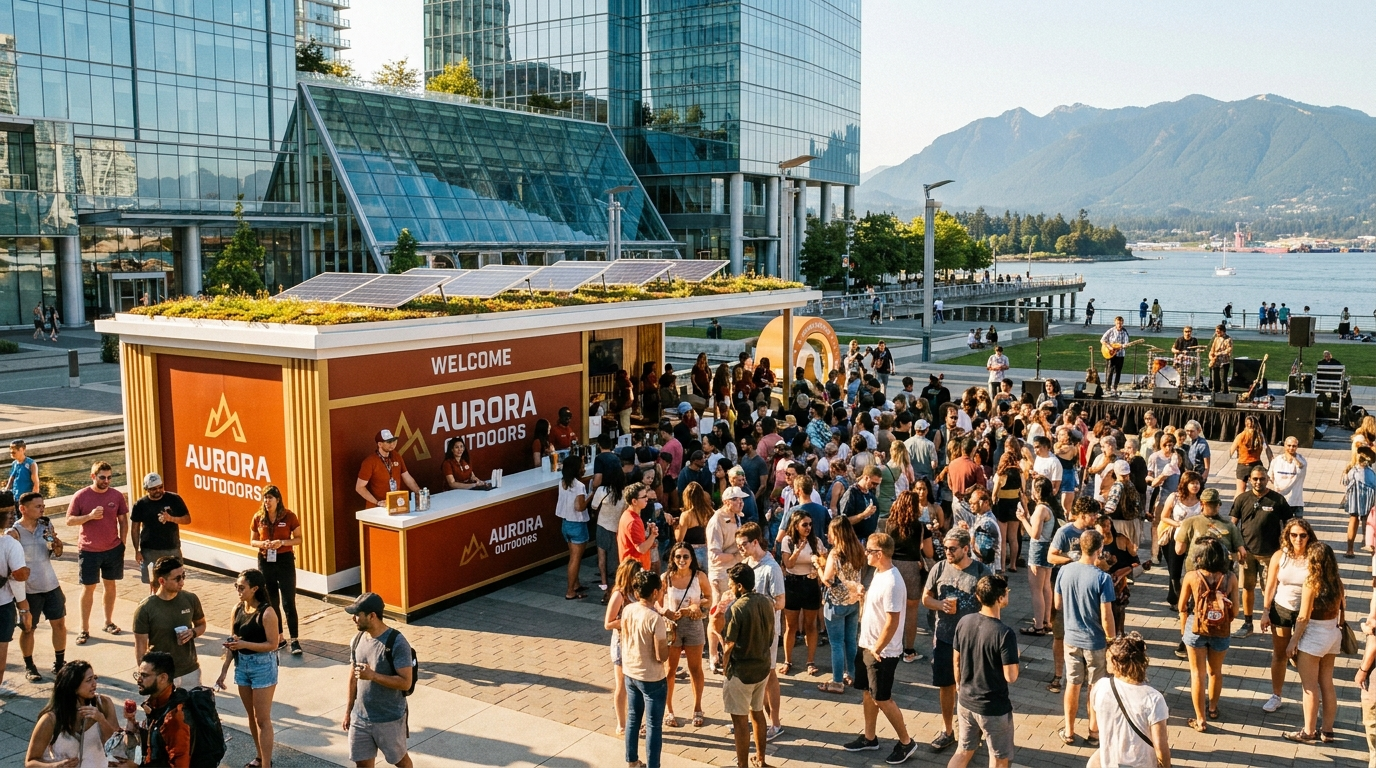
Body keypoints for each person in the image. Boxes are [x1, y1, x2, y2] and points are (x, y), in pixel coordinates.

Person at [841, 533, 919, 764]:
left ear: (879, 554)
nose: (865, 554)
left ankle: (906, 742)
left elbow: (893, 620)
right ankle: (869, 737)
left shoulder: (893, 582)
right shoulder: (878, 574)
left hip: (882, 651)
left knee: (882, 698)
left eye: (869, 550)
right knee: (867, 692)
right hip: (867, 644)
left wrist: (878, 648)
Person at [922, 527, 991, 753]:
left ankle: (973, 730)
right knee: (946, 685)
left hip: (973, 641)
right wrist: (940, 605)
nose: (947, 552)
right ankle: (947, 730)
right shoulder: (939, 568)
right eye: (945, 548)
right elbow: (926, 598)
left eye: (952, 549)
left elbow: (997, 603)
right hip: (944, 637)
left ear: (965, 548)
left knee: (972, 687)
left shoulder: (981, 571)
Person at [947, 574, 1019, 768]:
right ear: (1001, 598)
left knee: (963, 750)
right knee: (999, 758)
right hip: (993, 707)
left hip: (966, 700)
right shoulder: (1004, 633)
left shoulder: (964, 622)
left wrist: (959, 687)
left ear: (978, 597)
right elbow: (1011, 676)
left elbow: (956, 660)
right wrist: (1015, 656)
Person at [1055, 528, 1116, 746]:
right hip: (1096, 642)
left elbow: (1057, 604)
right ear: (1100, 550)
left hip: (1071, 638)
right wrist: (1112, 640)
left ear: (1080, 547)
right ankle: (1094, 733)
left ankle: (1069, 731)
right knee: (1095, 688)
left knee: (1072, 684)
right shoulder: (1103, 578)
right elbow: (1107, 616)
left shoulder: (1065, 571)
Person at [215, 569, 280, 768]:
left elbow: (273, 644)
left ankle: (266, 764)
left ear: (255, 589)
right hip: (241, 665)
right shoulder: (237, 609)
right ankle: (259, 757)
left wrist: (245, 645)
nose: (238, 590)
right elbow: (232, 639)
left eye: (242, 587)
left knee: (262, 719)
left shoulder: (267, 613)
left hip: (262, 666)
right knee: (251, 716)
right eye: (237, 586)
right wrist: (224, 669)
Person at [1283, 542, 1346, 745]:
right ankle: (1327, 731)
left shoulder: (1311, 583)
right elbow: (1342, 609)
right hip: (1332, 634)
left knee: (1309, 687)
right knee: (1327, 683)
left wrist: (1292, 642)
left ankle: (1308, 731)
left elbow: (1303, 617)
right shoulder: (1337, 581)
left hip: (1314, 636)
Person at [342, 593, 415, 768]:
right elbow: (353, 676)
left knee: (401, 762)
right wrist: (348, 711)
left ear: (372, 616)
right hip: (360, 718)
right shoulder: (358, 639)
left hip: (389, 719)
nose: (354, 619)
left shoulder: (397, 643)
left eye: (357, 614)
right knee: (362, 765)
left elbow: (406, 682)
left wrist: (373, 676)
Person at [717, 563, 773, 768]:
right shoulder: (766, 602)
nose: (730, 588)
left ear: (739, 586)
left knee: (740, 722)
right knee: (757, 713)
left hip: (740, 672)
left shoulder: (736, 608)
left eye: (731, 584)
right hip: (762, 667)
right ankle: (761, 759)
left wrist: (724, 667)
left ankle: (742, 765)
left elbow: (729, 644)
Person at [65, 461, 128, 645]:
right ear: (93, 476)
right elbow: (69, 521)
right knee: (88, 588)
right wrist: (89, 516)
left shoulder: (116, 496)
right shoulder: (81, 496)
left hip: (112, 549)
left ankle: (108, 622)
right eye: (102, 477)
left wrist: (122, 544)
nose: (106, 481)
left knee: (110, 586)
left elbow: (123, 521)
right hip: (89, 550)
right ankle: (83, 628)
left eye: (109, 477)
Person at [1088, 633, 1172, 768]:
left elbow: (1094, 727)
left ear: (1116, 663)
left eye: (1108, 658)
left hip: (1109, 762)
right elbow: (1161, 747)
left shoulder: (1100, 687)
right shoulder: (1154, 699)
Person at [736, 522, 786, 741]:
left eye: (743, 545)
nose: (740, 549)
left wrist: (755, 602)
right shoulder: (746, 563)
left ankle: (775, 723)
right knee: (751, 675)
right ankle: (754, 719)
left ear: (755, 542)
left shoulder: (771, 568)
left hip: (766, 630)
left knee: (770, 673)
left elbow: (781, 602)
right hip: (748, 630)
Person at [1260, 518, 1315, 714]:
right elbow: (1271, 585)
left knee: (1306, 657)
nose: (1298, 539)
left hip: (1308, 612)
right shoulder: (1279, 556)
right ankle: (1276, 695)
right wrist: (1265, 611)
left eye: (1302, 535)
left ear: (1309, 536)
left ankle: (1310, 698)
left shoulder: (1314, 557)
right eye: (1294, 535)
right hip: (1282, 608)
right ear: (1287, 536)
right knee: (1280, 654)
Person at [1230, 466, 1292, 638]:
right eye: (1255, 479)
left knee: (1270, 590)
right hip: (1246, 553)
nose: (1258, 482)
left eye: (1262, 479)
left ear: (1267, 479)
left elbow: (1290, 524)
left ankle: (1272, 621)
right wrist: (1236, 546)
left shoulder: (1278, 500)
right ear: (1249, 479)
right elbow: (1232, 524)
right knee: (1247, 588)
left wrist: (1285, 549)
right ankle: (1248, 623)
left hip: (1270, 555)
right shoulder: (1242, 498)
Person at [24, 660, 120, 768]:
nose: (94, 683)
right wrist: (56, 766)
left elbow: (117, 747)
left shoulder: (104, 704)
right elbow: (30, 762)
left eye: (94, 678)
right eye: (89, 680)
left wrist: (102, 721)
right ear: (73, 687)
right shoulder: (50, 719)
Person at [11, 493, 65, 682]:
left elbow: (56, 552)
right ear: (23, 509)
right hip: (29, 589)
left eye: (43, 505)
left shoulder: (46, 525)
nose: (42, 509)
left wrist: (58, 546)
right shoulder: (14, 533)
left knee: (59, 624)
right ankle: (30, 666)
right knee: (28, 629)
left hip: (50, 583)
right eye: (37, 506)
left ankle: (60, 663)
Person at [133, 557, 206, 688]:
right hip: (162, 675)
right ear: (162, 581)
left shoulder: (191, 599)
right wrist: (145, 676)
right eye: (177, 578)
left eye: (183, 576)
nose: (182, 582)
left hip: (190, 671)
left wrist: (193, 632)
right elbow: (140, 650)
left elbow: (202, 625)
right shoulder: (145, 609)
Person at [620, 570, 668, 768]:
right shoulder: (655, 619)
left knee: (632, 718)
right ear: (655, 592)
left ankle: (632, 761)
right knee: (654, 725)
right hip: (652, 677)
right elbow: (661, 655)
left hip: (630, 671)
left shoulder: (628, 609)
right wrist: (670, 642)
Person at [661, 542, 708, 728]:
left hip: (694, 624)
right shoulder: (666, 578)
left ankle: (697, 708)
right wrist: (666, 612)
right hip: (672, 626)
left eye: (686, 556)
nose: (682, 560)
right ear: (672, 558)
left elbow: (711, 598)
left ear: (692, 558)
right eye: (678, 556)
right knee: (669, 670)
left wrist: (696, 606)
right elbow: (655, 602)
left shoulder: (699, 576)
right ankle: (668, 710)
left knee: (695, 669)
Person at [251, 486, 303, 655]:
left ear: (278, 499)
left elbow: (299, 539)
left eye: (270, 498)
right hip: (266, 561)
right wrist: (263, 544)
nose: (267, 502)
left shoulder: (289, 516)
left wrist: (282, 542)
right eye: (265, 498)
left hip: (284, 560)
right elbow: (252, 541)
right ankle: (279, 637)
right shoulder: (259, 517)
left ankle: (295, 640)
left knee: (288, 601)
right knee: (272, 602)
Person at [887, 489, 934, 662]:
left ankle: (892, 645)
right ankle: (909, 650)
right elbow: (929, 553)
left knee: (892, 608)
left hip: (892, 568)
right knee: (911, 610)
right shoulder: (920, 526)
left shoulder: (890, 524)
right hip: (912, 569)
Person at [818, 516, 864, 695]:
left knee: (836, 644)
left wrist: (818, 566)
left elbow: (828, 580)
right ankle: (851, 674)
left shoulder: (835, 554)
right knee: (850, 640)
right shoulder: (858, 549)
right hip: (853, 602)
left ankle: (837, 681)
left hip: (836, 603)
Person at [779, 511, 825, 677]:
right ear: (796, 525)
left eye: (810, 524)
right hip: (793, 583)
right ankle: (787, 660)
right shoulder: (788, 541)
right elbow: (788, 564)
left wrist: (820, 563)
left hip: (810, 583)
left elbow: (824, 560)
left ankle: (810, 661)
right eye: (804, 524)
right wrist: (798, 550)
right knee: (791, 626)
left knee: (810, 625)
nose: (808, 527)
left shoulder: (816, 541)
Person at [129, 473, 190, 595]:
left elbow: (187, 519)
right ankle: (155, 606)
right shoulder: (140, 504)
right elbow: (135, 529)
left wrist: (171, 518)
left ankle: (174, 605)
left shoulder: (173, 499)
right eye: (153, 489)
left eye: (160, 487)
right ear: (146, 489)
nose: (158, 491)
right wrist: (137, 550)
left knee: (177, 580)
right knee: (154, 583)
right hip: (150, 549)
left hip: (171, 548)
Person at [131, 652, 193, 768]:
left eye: (144, 676)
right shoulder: (157, 705)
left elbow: (179, 764)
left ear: (163, 678)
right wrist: (137, 730)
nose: (138, 680)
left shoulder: (175, 717)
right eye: (138, 674)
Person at [1017, 477, 1058, 636]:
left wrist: (1022, 519)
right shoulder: (1048, 507)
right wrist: (1026, 512)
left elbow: (1034, 534)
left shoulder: (1041, 509)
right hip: (1047, 547)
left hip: (1038, 549)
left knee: (1036, 590)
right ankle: (1047, 621)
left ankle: (1039, 624)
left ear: (1037, 491)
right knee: (1046, 587)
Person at [1158, 471, 1204, 612]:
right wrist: (1178, 524)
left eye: (1197, 483)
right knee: (1174, 570)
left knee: (1194, 570)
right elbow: (1163, 516)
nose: (1195, 486)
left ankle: (1193, 600)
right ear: (1185, 484)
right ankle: (1175, 599)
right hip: (1176, 537)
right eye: (1192, 483)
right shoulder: (1174, 498)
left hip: (1195, 540)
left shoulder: (1202, 501)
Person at [1095, 515, 1138, 638]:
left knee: (1118, 609)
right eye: (1103, 526)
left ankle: (1120, 634)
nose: (1107, 528)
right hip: (1098, 581)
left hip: (1117, 582)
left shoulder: (1120, 539)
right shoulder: (1093, 541)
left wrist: (1120, 574)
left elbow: (1135, 561)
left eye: (1109, 525)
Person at [355, 430, 421, 508]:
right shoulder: (370, 462)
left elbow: (407, 477)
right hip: (377, 507)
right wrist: (377, 502)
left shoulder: (396, 456)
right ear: (380, 444)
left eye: (393, 441)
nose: (392, 444)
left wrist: (419, 492)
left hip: (395, 503)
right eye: (389, 442)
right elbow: (359, 487)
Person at [555, 460, 590, 600]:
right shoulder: (580, 486)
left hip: (565, 523)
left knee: (573, 557)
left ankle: (576, 584)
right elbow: (580, 507)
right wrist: (591, 496)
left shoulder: (562, 482)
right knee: (575, 559)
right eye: (582, 467)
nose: (584, 469)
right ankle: (570, 591)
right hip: (577, 524)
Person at [1344, 448, 1376, 559]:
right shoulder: (1371, 472)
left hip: (1354, 499)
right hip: (1367, 500)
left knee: (1353, 519)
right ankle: (1368, 544)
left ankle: (1350, 549)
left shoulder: (1352, 470)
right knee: (1367, 522)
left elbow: (1345, 482)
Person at [618, 482, 658, 571]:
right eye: (644, 497)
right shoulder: (633, 521)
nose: (647, 499)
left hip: (632, 568)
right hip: (635, 571)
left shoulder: (629, 515)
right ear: (634, 501)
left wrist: (649, 540)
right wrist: (653, 535)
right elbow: (641, 549)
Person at [1269, 437, 1308, 519]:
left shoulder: (1301, 460)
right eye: (1289, 445)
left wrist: (1293, 458)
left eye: (1294, 446)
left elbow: (1301, 467)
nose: (1291, 448)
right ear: (1284, 445)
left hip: (1296, 502)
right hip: (1279, 500)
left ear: (1297, 447)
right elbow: (1270, 478)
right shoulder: (1276, 461)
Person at [1100, 317, 1130, 392]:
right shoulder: (1111, 331)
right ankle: (1108, 387)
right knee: (1110, 371)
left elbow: (1126, 343)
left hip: (1120, 354)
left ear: (1122, 323)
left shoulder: (1124, 332)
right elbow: (1102, 340)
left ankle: (1115, 386)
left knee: (1118, 371)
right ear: (1115, 323)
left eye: (1120, 323)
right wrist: (1110, 347)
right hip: (1111, 354)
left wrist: (1124, 346)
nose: (1119, 325)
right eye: (1118, 323)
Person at [1208, 325, 1233, 393]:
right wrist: (1211, 356)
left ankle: (1224, 393)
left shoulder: (1228, 339)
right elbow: (1212, 349)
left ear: (1223, 331)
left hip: (1224, 361)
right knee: (1214, 378)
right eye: (1216, 332)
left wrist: (1220, 353)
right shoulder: (1216, 339)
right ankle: (1215, 391)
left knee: (1223, 379)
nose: (1217, 333)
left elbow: (1229, 350)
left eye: (1218, 332)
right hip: (1216, 361)